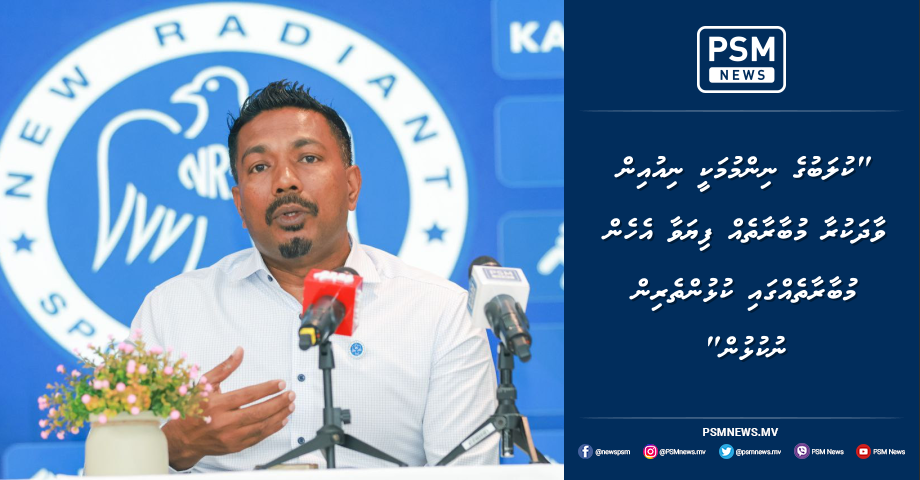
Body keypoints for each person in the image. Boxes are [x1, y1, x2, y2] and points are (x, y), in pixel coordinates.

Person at [130, 81, 498, 471]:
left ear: (352, 186)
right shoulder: (172, 309)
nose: (285, 181)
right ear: (239, 204)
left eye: (308, 158)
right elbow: (107, 470)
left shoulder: (438, 311)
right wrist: (174, 445)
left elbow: (469, 473)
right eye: (259, 167)